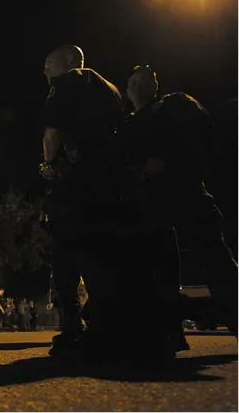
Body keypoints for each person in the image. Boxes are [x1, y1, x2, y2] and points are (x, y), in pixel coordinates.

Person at [124, 65, 238, 338]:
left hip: (185, 193)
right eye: (134, 81)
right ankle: (164, 333)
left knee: (216, 262)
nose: (140, 85)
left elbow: (202, 141)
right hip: (150, 203)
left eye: (146, 79)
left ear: (155, 84)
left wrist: (167, 159)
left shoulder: (175, 106)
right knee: (157, 267)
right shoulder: (128, 124)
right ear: (128, 90)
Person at [39, 45, 124, 358]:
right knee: (100, 256)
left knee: (65, 259)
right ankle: (106, 328)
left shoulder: (65, 84)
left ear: (70, 62)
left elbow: (52, 134)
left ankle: (72, 331)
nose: (45, 71)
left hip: (73, 183)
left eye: (49, 64)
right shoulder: (112, 90)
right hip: (108, 185)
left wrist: (48, 164)